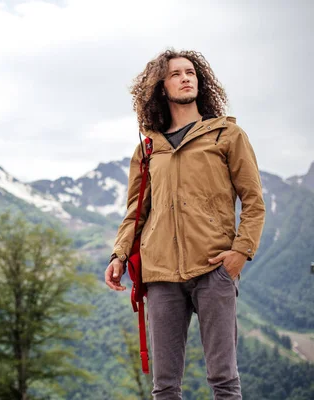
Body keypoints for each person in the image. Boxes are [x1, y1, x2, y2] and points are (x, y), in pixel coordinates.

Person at [104, 49, 266, 399]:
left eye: (190, 72)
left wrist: (240, 253)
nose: (185, 77)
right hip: (160, 275)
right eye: (176, 74)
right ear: (162, 87)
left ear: (200, 80)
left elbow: (253, 202)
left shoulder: (227, 136)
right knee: (164, 387)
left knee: (224, 381)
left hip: (213, 270)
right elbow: (136, 210)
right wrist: (119, 255)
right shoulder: (149, 148)